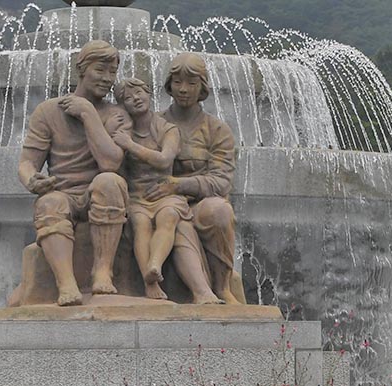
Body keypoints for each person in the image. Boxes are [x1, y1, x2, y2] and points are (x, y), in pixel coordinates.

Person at [18, 40, 131, 307]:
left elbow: (110, 162)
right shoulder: (48, 111)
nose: (107, 79)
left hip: (101, 192)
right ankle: (66, 284)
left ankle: (102, 271)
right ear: (81, 69)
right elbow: (26, 162)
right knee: (49, 203)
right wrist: (32, 179)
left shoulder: (117, 113)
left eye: (113, 72)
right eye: (100, 70)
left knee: (110, 181)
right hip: (64, 193)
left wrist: (88, 113)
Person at [112, 77, 223, 305]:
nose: (136, 99)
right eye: (128, 98)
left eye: (139, 92)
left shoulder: (166, 128)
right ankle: (150, 282)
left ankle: (155, 263)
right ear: (122, 105)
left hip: (165, 193)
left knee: (169, 216)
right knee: (140, 224)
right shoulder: (123, 130)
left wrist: (129, 145)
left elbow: (164, 160)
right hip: (137, 196)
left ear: (149, 94)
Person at [149, 52, 244, 305]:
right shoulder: (153, 123)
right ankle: (200, 293)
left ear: (203, 86)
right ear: (169, 85)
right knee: (174, 216)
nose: (183, 89)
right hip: (159, 202)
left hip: (200, 201)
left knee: (219, 210)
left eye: (191, 83)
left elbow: (221, 181)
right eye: (177, 82)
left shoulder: (217, 130)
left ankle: (222, 286)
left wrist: (179, 185)